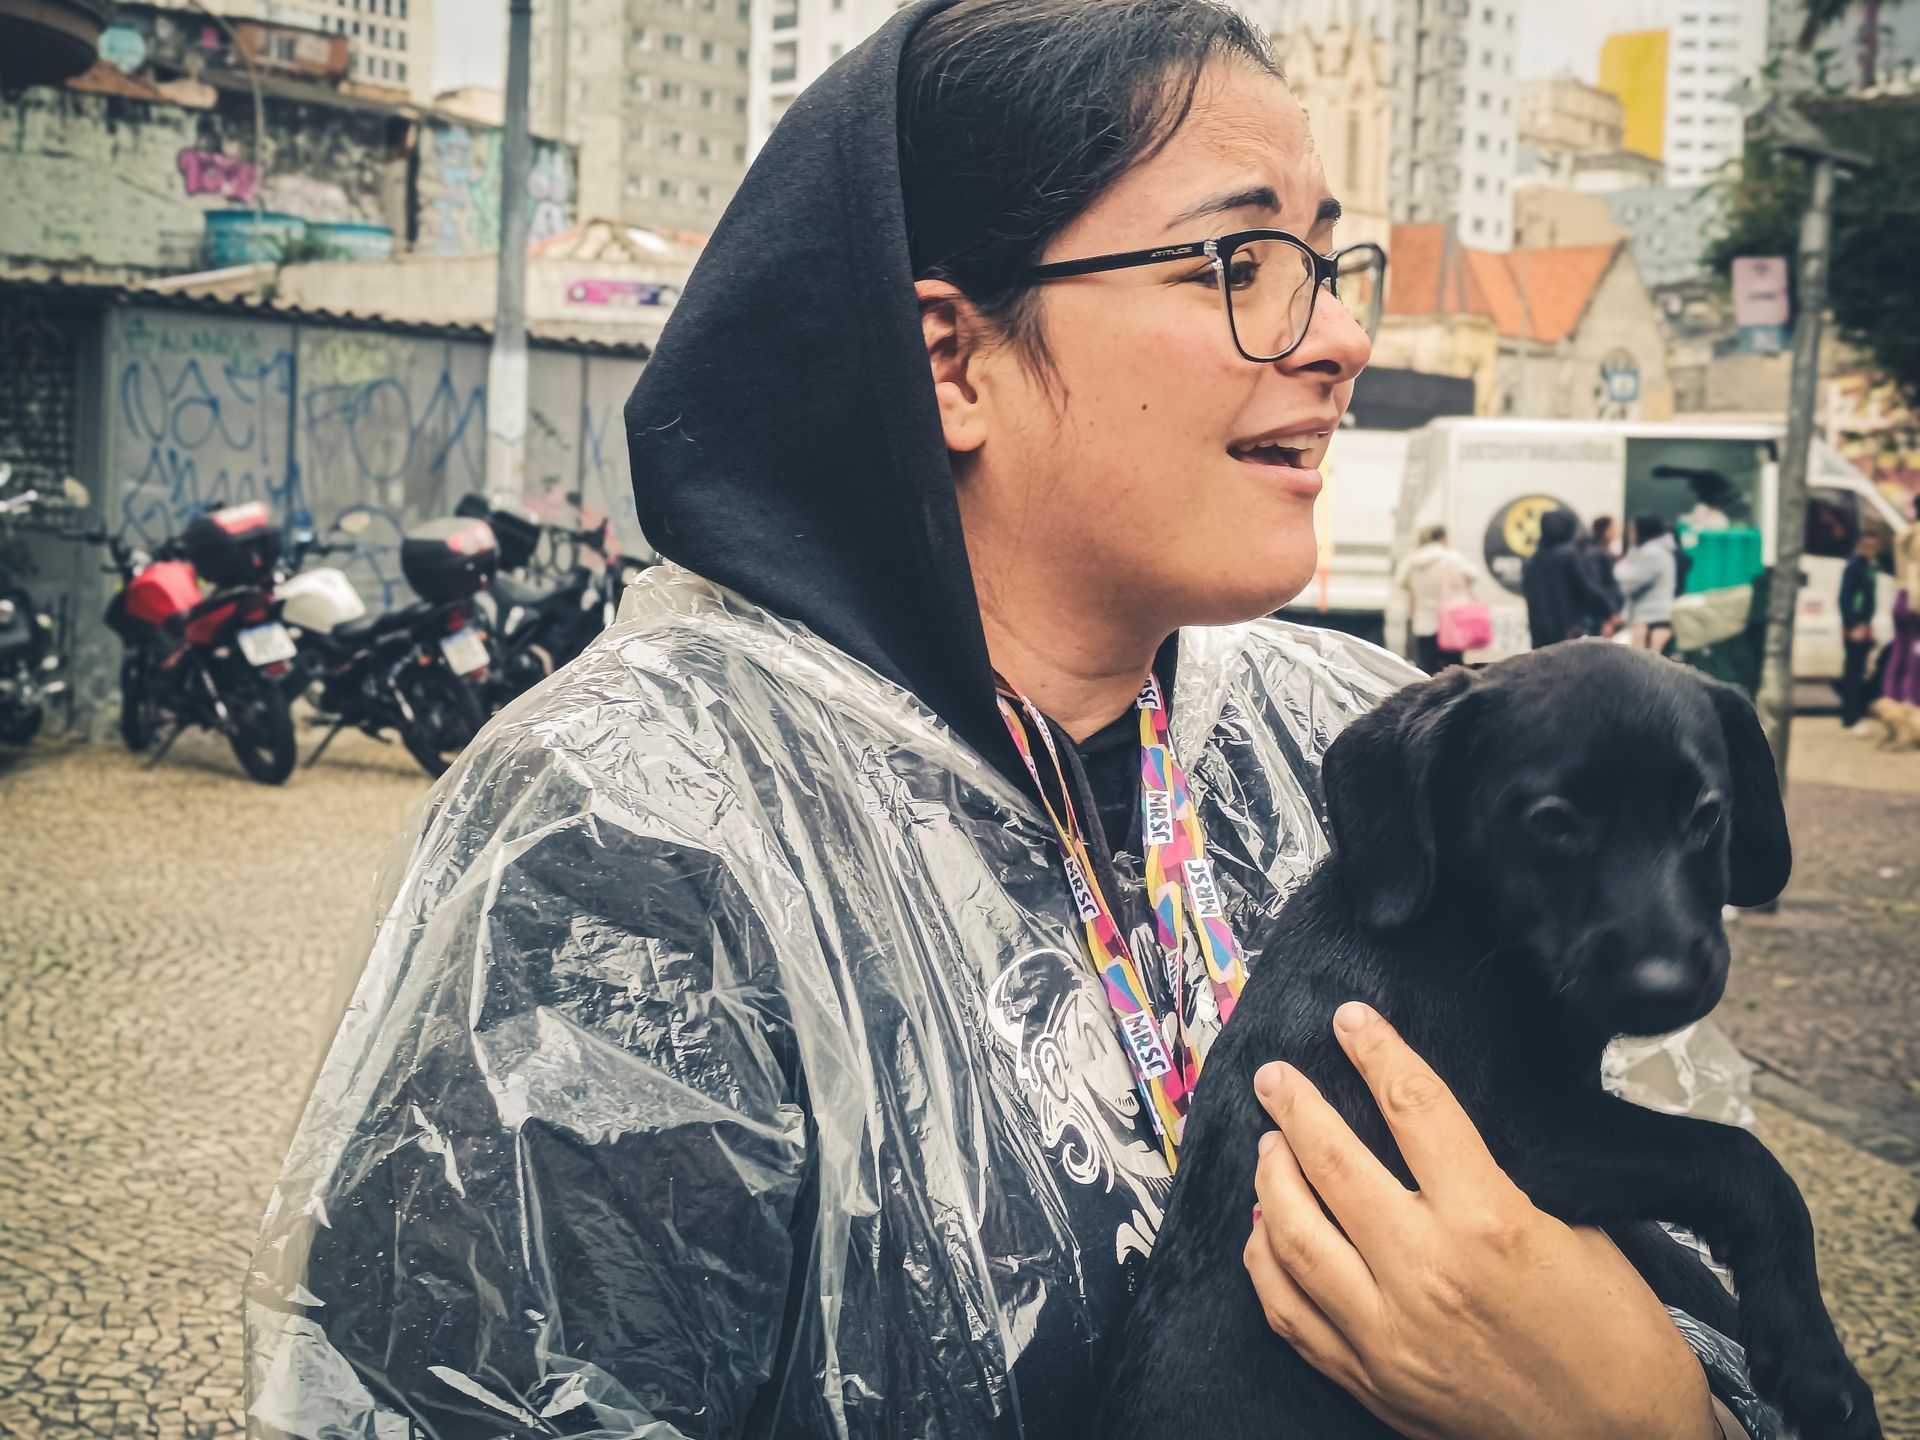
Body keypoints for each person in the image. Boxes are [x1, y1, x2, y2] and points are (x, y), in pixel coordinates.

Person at [247, 4, 1772, 1438]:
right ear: (953, 361)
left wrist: (1649, 1406)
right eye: (1239, 263)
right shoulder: (642, 833)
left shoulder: (1372, 747)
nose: (1339, 336)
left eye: (1326, 260)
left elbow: (1697, 1271)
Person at [1392, 523, 1480, 673]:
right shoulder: (1452, 557)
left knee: (1425, 670)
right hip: (1452, 623)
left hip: (1424, 624)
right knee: (1453, 669)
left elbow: (1400, 582)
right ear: (1443, 539)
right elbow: (1474, 575)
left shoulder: (1412, 561)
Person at [1522, 509, 1616, 650]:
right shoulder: (1570, 554)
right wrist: (1608, 610)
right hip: (1568, 630)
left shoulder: (1533, 559)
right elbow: (1587, 588)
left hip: (1539, 631)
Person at [1616, 514, 1681, 655]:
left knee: (1645, 664)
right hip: (1651, 617)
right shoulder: (1653, 551)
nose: (1629, 534)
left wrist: (1619, 568)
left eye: (1632, 529)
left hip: (1651, 620)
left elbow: (1631, 583)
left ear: (1643, 530)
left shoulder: (1652, 553)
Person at [1841, 531, 1883, 728]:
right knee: (1853, 671)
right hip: (1855, 626)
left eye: (1873, 548)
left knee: (1859, 671)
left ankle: (1854, 714)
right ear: (1858, 545)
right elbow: (1845, 598)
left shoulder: (1868, 567)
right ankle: (1851, 716)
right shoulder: (1854, 567)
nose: (1870, 551)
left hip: (1864, 625)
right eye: (1866, 547)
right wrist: (1852, 625)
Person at [1886, 497, 1920, 706]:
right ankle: (1914, 699)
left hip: (1901, 595)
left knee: (1901, 649)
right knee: (1917, 650)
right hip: (1916, 598)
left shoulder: (1906, 534)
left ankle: (1893, 697)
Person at [1582, 515, 1626, 634]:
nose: (1617, 531)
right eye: (1613, 527)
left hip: (1609, 613)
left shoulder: (1607, 553)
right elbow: (1597, 585)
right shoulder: (1595, 554)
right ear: (1605, 531)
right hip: (1601, 615)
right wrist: (1609, 614)